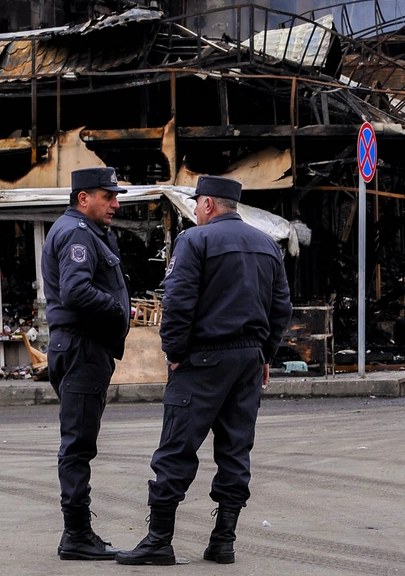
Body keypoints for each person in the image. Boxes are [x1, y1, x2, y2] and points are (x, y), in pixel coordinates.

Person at [116, 175, 292, 567]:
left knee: (176, 448)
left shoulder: (194, 241)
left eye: (197, 203)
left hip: (203, 360)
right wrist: (264, 355)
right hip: (247, 360)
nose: (196, 209)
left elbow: (178, 303)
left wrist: (174, 352)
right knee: (235, 450)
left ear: (209, 204)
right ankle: (223, 541)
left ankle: (159, 541)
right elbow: (281, 307)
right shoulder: (267, 244)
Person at [42, 167, 131, 560]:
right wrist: (116, 309)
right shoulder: (77, 232)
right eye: (107, 196)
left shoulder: (86, 231)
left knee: (80, 442)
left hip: (82, 348)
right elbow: (76, 291)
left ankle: (77, 532)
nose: (115, 204)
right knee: (77, 444)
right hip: (81, 349)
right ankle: (75, 535)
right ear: (83, 198)